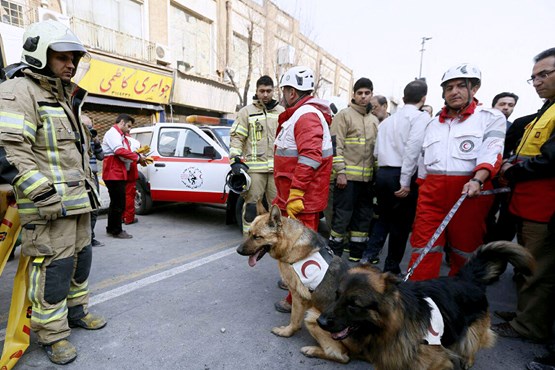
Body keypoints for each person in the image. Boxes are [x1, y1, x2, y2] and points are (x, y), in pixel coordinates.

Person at [0, 20, 106, 365]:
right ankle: (53, 335)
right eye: (62, 57)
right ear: (39, 56)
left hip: (78, 203)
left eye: (73, 58)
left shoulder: (64, 96)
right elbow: (10, 150)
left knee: (80, 263)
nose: (70, 65)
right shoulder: (19, 91)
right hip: (48, 206)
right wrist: (41, 194)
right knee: (53, 271)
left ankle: (76, 313)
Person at [407, 63, 506, 281]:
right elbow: (424, 160)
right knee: (423, 248)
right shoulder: (433, 124)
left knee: (464, 250)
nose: (454, 92)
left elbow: (492, 152)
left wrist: (478, 180)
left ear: (474, 89)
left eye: (461, 86)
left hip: (469, 193)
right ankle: (419, 299)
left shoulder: (490, 117)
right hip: (431, 194)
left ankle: (463, 299)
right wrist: (420, 187)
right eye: (449, 87)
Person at [491, 47, 555, 343]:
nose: (538, 82)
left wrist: (513, 168)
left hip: (545, 208)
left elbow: (549, 159)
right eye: (534, 77)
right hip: (526, 204)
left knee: (537, 271)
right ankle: (524, 314)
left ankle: (529, 326)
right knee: (524, 265)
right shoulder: (546, 109)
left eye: (544, 74)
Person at [273, 66, 333, 312]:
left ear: (290, 91)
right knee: (297, 248)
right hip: (296, 197)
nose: (284, 94)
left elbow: (310, 157)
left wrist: (296, 192)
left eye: (285, 89)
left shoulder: (306, 115)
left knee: (301, 251)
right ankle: (293, 287)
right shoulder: (302, 114)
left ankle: (297, 300)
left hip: (301, 198)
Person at [362, 80, 430, 273]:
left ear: (403, 98)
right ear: (423, 99)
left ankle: (369, 255)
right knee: (401, 225)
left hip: (383, 172)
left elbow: (376, 152)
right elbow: (413, 150)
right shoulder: (420, 118)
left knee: (383, 218)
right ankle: (391, 268)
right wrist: (405, 181)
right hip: (402, 173)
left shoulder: (388, 120)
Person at [327, 77, 378, 261]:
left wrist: (376, 176)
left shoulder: (374, 120)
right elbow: (335, 145)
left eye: (367, 93)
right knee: (341, 219)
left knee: (363, 219)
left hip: (367, 181)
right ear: (354, 95)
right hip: (346, 180)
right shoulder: (344, 115)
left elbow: (376, 151)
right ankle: (334, 254)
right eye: (360, 93)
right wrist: (340, 172)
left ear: (371, 95)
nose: (363, 97)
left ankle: (356, 256)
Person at [229, 75, 284, 235]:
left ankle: (277, 238)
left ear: (273, 91)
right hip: (255, 170)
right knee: (252, 205)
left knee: (277, 207)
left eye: (268, 91)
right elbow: (237, 137)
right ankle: (249, 236)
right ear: (256, 91)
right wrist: (235, 159)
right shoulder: (246, 112)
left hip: (276, 170)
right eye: (262, 91)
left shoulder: (282, 112)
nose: (265, 94)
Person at [102, 114, 145, 239]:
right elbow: (119, 151)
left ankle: (112, 228)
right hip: (113, 173)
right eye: (129, 126)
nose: (129, 130)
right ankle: (116, 230)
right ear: (122, 122)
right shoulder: (113, 133)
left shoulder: (119, 134)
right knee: (119, 203)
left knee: (115, 203)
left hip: (117, 172)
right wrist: (137, 157)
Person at [82, 115, 105, 247]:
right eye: (87, 128)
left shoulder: (92, 140)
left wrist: (96, 142)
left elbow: (101, 157)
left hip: (94, 177)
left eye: (91, 127)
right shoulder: (75, 139)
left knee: (95, 208)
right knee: (84, 210)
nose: (90, 130)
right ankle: (83, 239)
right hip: (82, 177)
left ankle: (91, 237)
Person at [122, 135, 140, 225]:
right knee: (129, 196)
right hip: (131, 171)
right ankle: (129, 218)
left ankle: (121, 217)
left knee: (120, 196)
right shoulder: (134, 142)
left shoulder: (119, 140)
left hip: (120, 172)